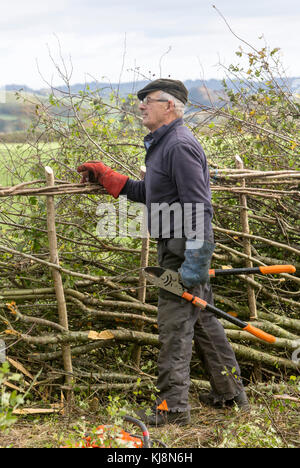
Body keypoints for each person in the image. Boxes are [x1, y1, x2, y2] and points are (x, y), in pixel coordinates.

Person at [77, 79, 250, 427]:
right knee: (204, 322)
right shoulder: (163, 145)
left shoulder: (180, 146)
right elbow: (155, 193)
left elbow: (199, 207)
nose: (141, 106)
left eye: (148, 101)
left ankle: (172, 411)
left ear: (169, 106)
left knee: (173, 327)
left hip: (182, 253)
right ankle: (231, 395)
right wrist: (110, 179)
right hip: (177, 249)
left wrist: (196, 261)